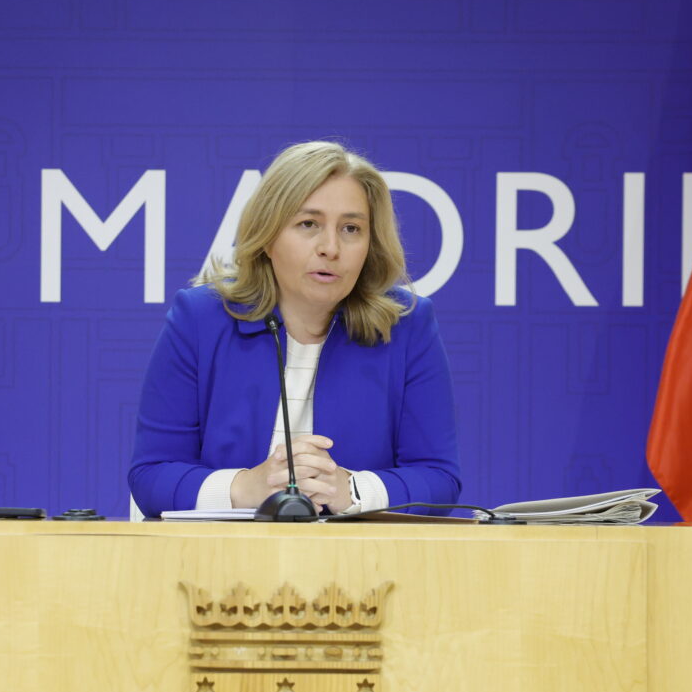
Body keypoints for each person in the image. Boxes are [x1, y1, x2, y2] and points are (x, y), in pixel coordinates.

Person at [128, 140, 460, 518]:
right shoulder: (201, 320)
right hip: (216, 562)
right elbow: (151, 475)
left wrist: (350, 490)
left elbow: (439, 479)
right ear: (268, 236)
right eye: (308, 224)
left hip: (358, 565)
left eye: (351, 228)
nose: (331, 248)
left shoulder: (406, 325)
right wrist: (247, 487)